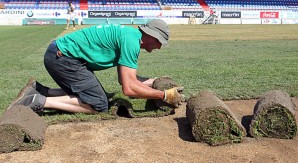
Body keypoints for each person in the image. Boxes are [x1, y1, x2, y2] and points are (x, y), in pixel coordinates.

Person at [11, 19, 184, 114]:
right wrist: (164, 95)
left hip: (62, 55)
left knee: (94, 94)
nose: (160, 47)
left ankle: (40, 90)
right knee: (99, 104)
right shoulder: (131, 41)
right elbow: (129, 88)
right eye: (159, 42)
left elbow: (126, 79)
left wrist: (156, 81)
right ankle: (37, 101)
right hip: (64, 58)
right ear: (151, 35)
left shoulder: (130, 36)